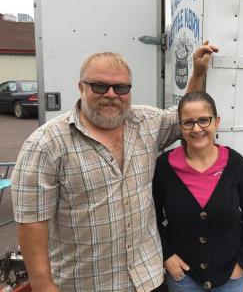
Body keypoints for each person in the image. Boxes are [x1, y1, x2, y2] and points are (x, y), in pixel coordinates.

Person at [11, 42, 218, 292]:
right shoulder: (45, 144)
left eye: (121, 87)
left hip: (149, 278)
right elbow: (31, 222)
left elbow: (183, 116)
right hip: (88, 284)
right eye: (99, 86)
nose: (111, 94)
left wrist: (197, 73)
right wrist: (43, 284)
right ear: (80, 87)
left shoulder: (146, 122)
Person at [152, 91, 243, 292]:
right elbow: (151, 218)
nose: (197, 129)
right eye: (188, 122)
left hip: (230, 278)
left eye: (204, 120)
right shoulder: (164, 167)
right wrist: (166, 256)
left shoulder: (235, 164)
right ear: (180, 126)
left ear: (216, 121)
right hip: (183, 280)